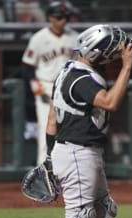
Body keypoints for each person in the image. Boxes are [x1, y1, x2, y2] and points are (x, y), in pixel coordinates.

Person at [46, 24, 132, 218]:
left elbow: (51, 119)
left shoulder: (70, 71)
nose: (116, 56)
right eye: (113, 52)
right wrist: (127, 65)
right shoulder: (82, 79)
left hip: (79, 152)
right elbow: (109, 102)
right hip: (77, 152)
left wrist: (50, 159)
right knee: (80, 217)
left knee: (104, 211)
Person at [21, 1, 78, 165]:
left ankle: (67, 171)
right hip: (46, 89)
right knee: (47, 131)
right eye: (59, 17)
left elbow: (81, 63)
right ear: (50, 18)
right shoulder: (38, 38)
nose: (63, 21)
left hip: (68, 90)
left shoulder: (74, 38)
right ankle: (44, 170)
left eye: (66, 17)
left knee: (70, 132)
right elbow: (27, 66)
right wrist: (33, 83)